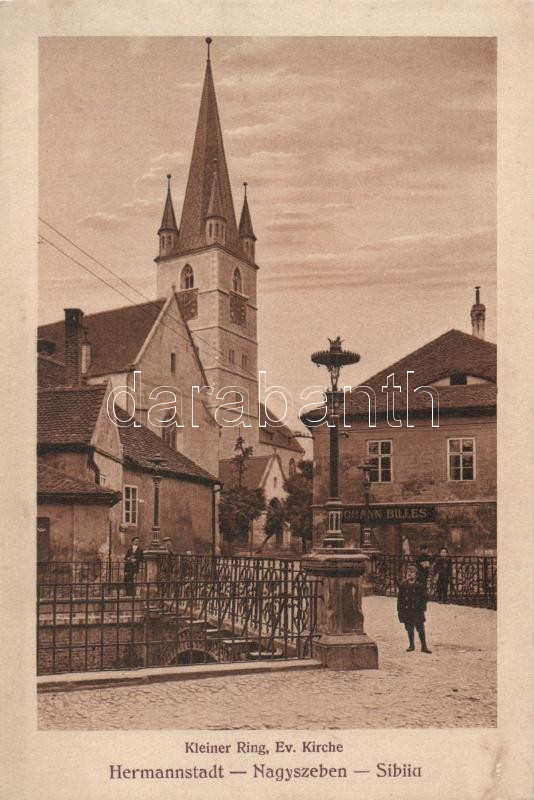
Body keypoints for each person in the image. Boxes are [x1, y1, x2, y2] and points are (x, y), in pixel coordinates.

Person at [397, 564, 432, 653]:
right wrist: (400, 611)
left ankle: (424, 646)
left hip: (417, 611)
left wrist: (422, 608)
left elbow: (424, 598)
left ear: (416, 575)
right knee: (409, 628)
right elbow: (400, 599)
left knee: (420, 629)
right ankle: (411, 645)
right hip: (407, 611)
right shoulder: (403, 585)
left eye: (412, 572)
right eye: (408, 572)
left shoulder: (419, 585)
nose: (409, 574)